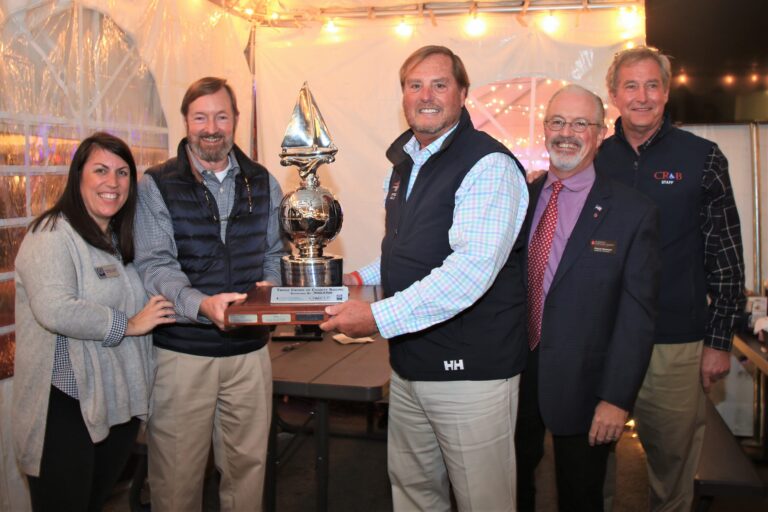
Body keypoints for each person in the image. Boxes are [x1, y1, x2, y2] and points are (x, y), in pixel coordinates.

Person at [320, 45, 529, 511]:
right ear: (403, 95)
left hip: (470, 375)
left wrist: (375, 315)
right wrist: (356, 278)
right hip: (411, 366)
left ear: (463, 93)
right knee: (415, 494)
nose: (426, 95)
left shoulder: (488, 165)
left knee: (483, 502)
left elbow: (468, 272)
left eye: (439, 84)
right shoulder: (405, 164)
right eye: (415, 85)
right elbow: (407, 253)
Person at [595, 46, 746, 511]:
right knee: (590, 466)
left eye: (652, 85)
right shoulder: (592, 159)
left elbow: (726, 254)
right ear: (614, 94)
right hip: (599, 340)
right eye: (631, 86)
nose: (642, 96)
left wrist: (719, 340)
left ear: (666, 92)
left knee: (673, 472)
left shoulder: (703, 157)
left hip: (676, 343)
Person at [134, 77, 285, 511]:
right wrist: (201, 305)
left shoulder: (264, 182)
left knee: (248, 474)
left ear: (236, 120)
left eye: (221, 116)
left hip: (249, 354)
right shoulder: (156, 185)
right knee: (176, 481)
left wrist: (270, 290)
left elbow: (274, 252)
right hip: (183, 356)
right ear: (187, 121)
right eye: (200, 117)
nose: (211, 127)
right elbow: (155, 266)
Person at [515, 85, 660, 511]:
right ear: (544, 130)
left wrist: (617, 399)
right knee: (511, 487)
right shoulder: (520, 198)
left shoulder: (633, 211)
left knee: (581, 496)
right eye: (557, 122)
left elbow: (637, 317)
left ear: (600, 134)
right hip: (514, 375)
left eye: (581, 123)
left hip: (586, 385)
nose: (567, 133)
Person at [13, 132, 175, 511]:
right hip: (65, 406)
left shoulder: (118, 239)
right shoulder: (51, 235)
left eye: (122, 173)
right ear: (78, 176)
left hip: (114, 404)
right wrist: (128, 325)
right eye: (100, 170)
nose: (113, 182)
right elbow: (55, 308)